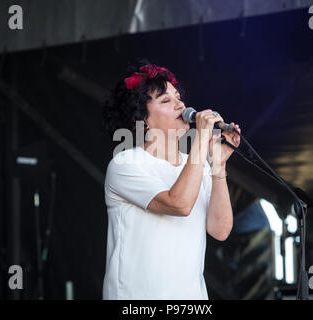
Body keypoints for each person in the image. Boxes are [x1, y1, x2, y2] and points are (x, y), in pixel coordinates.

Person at [101, 62, 241, 299]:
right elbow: (179, 204)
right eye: (166, 100)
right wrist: (202, 138)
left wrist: (218, 165)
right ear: (143, 117)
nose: (180, 104)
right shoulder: (126, 163)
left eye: (178, 97)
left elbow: (220, 230)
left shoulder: (196, 165)